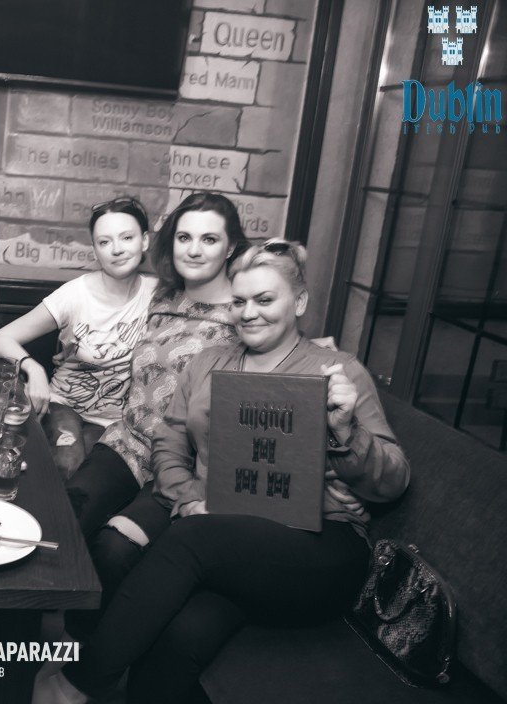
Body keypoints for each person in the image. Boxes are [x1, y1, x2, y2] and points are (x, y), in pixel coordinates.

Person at [32, 239, 410, 704]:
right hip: (229, 541)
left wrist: (346, 431)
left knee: (193, 538)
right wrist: (189, 497)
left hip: (319, 547)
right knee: (180, 633)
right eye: (239, 301)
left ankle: (73, 686)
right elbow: (169, 442)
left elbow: (393, 482)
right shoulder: (208, 362)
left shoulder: (338, 372)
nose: (249, 313)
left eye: (265, 299)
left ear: (299, 303)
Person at [63, 193, 248, 628]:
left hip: (186, 463)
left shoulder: (245, 316)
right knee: (66, 516)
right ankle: (40, 647)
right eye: (185, 237)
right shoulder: (160, 298)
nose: (194, 249)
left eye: (209, 239)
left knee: (113, 550)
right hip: (127, 443)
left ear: (231, 248)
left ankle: (90, 658)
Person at [0, 197, 157, 478]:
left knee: (98, 478)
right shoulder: (75, 295)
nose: (117, 249)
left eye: (127, 237)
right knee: (69, 464)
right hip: (64, 407)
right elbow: (0, 338)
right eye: (104, 242)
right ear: (95, 250)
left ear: (145, 241)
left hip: (118, 421)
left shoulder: (158, 294)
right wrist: (34, 369)